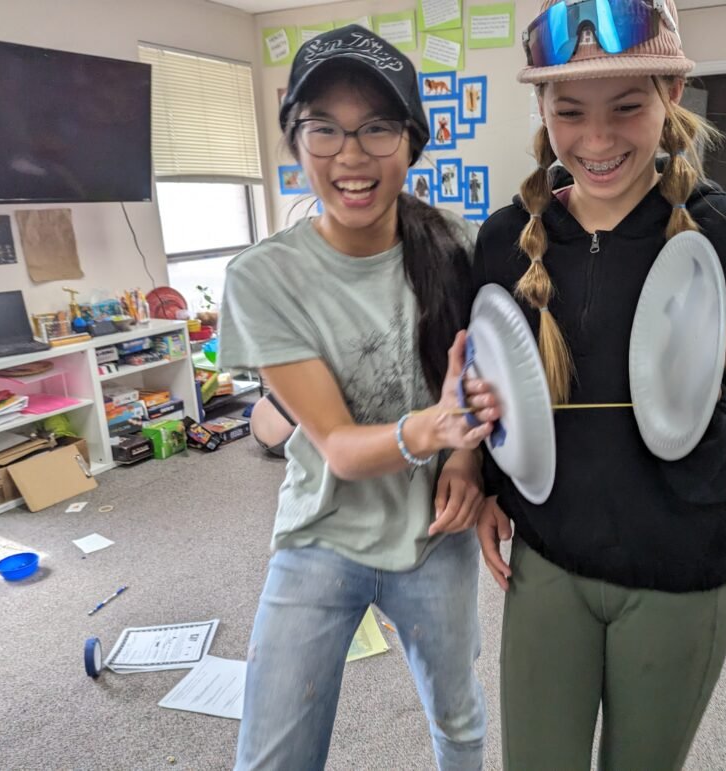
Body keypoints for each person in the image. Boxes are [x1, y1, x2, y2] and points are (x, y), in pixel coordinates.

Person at [468, 1, 726, 767]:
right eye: (570, 111)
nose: (597, 140)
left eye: (626, 107)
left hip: (679, 570)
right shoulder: (504, 240)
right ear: (543, 108)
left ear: (672, 94)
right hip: (548, 561)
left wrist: (692, 431)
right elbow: (486, 379)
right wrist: (489, 478)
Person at [218, 26, 500, 770]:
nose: (350, 155)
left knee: (459, 720)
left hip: (434, 535)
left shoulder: (460, 248)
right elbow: (339, 448)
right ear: (295, 141)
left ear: (411, 142)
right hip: (321, 533)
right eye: (324, 128)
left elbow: (483, 382)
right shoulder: (262, 278)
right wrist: (436, 430)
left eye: (377, 127)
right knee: (272, 754)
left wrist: (466, 461)